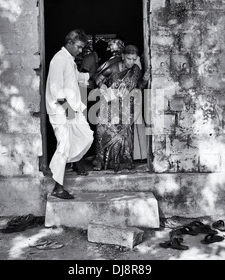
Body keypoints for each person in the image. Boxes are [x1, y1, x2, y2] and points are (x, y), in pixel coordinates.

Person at [45, 29, 94, 199]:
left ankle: (74, 163)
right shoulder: (59, 59)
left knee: (86, 136)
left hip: (71, 109)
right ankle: (58, 187)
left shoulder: (69, 60)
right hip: (62, 110)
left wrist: (91, 75)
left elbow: (76, 76)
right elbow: (56, 88)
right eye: (79, 47)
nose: (81, 51)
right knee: (64, 146)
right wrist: (68, 111)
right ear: (70, 43)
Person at [92, 44, 150, 172]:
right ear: (123, 56)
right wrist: (103, 87)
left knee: (123, 136)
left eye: (134, 59)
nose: (131, 62)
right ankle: (101, 161)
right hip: (109, 104)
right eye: (129, 58)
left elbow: (138, 87)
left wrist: (144, 80)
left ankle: (121, 162)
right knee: (103, 132)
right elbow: (98, 78)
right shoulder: (113, 67)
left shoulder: (135, 70)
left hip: (125, 107)